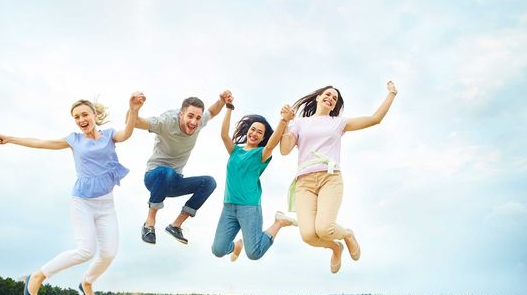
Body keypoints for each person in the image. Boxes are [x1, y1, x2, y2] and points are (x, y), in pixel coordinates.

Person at [0, 92, 146, 295]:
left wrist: (134, 111)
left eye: (85, 114)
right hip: (82, 201)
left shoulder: (110, 135)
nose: (81, 120)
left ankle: (87, 282)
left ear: (94, 115)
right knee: (85, 251)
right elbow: (40, 143)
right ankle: (37, 276)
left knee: (109, 253)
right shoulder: (74, 140)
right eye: (76, 117)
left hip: (106, 204)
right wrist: (11, 139)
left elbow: (127, 133)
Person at [280, 81, 398, 273]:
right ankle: (335, 247)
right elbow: (284, 150)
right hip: (304, 182)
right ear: (318, 97)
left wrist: (392, 93)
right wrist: (285, 122)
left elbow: (375, 119)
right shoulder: (299, 123)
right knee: (308, 235)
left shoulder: (339, 123)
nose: (330, 98)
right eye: (327, 94)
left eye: (334, 99)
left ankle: (348, 235)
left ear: (335, 106)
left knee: (325, 229)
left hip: (330, 177)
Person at [133, 90, 233, 245]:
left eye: (198, 118)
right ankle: (149, 223)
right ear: (181, 114)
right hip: (154, 177)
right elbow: (135, 122)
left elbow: (212, 112)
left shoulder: (199, 122)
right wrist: (134, 109)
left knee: (209, 182)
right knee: (167, 172)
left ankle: (176, 225)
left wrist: (221, 100)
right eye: (190, 116)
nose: (194, 122)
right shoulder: (165, 122)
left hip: (175, 181)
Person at [211, 98, 297, 262]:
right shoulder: (235, 151)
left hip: (249, 208)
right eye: (253, 129)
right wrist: (229, 107)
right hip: (228, 207)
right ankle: (236, 245)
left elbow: (271, 145)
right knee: (218, 250)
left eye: (259, 132)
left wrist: (284, 120)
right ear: (247, 130)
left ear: (263, 137)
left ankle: (278, 222)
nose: (254, 133)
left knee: (254, 253)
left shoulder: (262, 154)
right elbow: (223, 135)